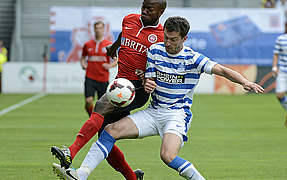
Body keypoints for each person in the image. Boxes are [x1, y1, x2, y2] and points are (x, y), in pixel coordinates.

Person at [53, 16, 264, 180]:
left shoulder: (193, 58)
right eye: (166, 38)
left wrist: (244, 81)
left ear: (184, 38)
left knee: (167, 157)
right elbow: (150, 81)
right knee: (109, 131)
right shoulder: (155, 50)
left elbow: (223, 70)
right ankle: (81, 174)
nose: (169, 43)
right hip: (154, 111)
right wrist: (148, 83)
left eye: (174, 40)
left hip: (177, 115)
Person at [51, 0, 167, 180]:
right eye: (143, 6)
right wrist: (114, 47)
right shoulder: (129, 19)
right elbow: (124, 34)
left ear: (160, 12)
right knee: (105, 137)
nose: (144, 11)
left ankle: (70, 153)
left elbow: (164, 66)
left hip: (136, 88)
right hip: (120, 81)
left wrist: (151, 79)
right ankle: (133, 177)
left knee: (101, 104)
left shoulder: (161, 37)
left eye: (149, 9)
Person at [80, 21, 117, 116]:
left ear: (104, 29)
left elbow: (116, 60)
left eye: (100, 28)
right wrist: (83, 64)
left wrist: (109, 66)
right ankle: (91, 117)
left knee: (102, 105)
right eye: (96, 28)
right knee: (89, 101)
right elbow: (83, 57)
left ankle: (97, 121)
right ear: (94, 29)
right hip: (90, 77)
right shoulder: (88, 44)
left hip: (103, 78)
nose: (98, 30)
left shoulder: (108, 44)